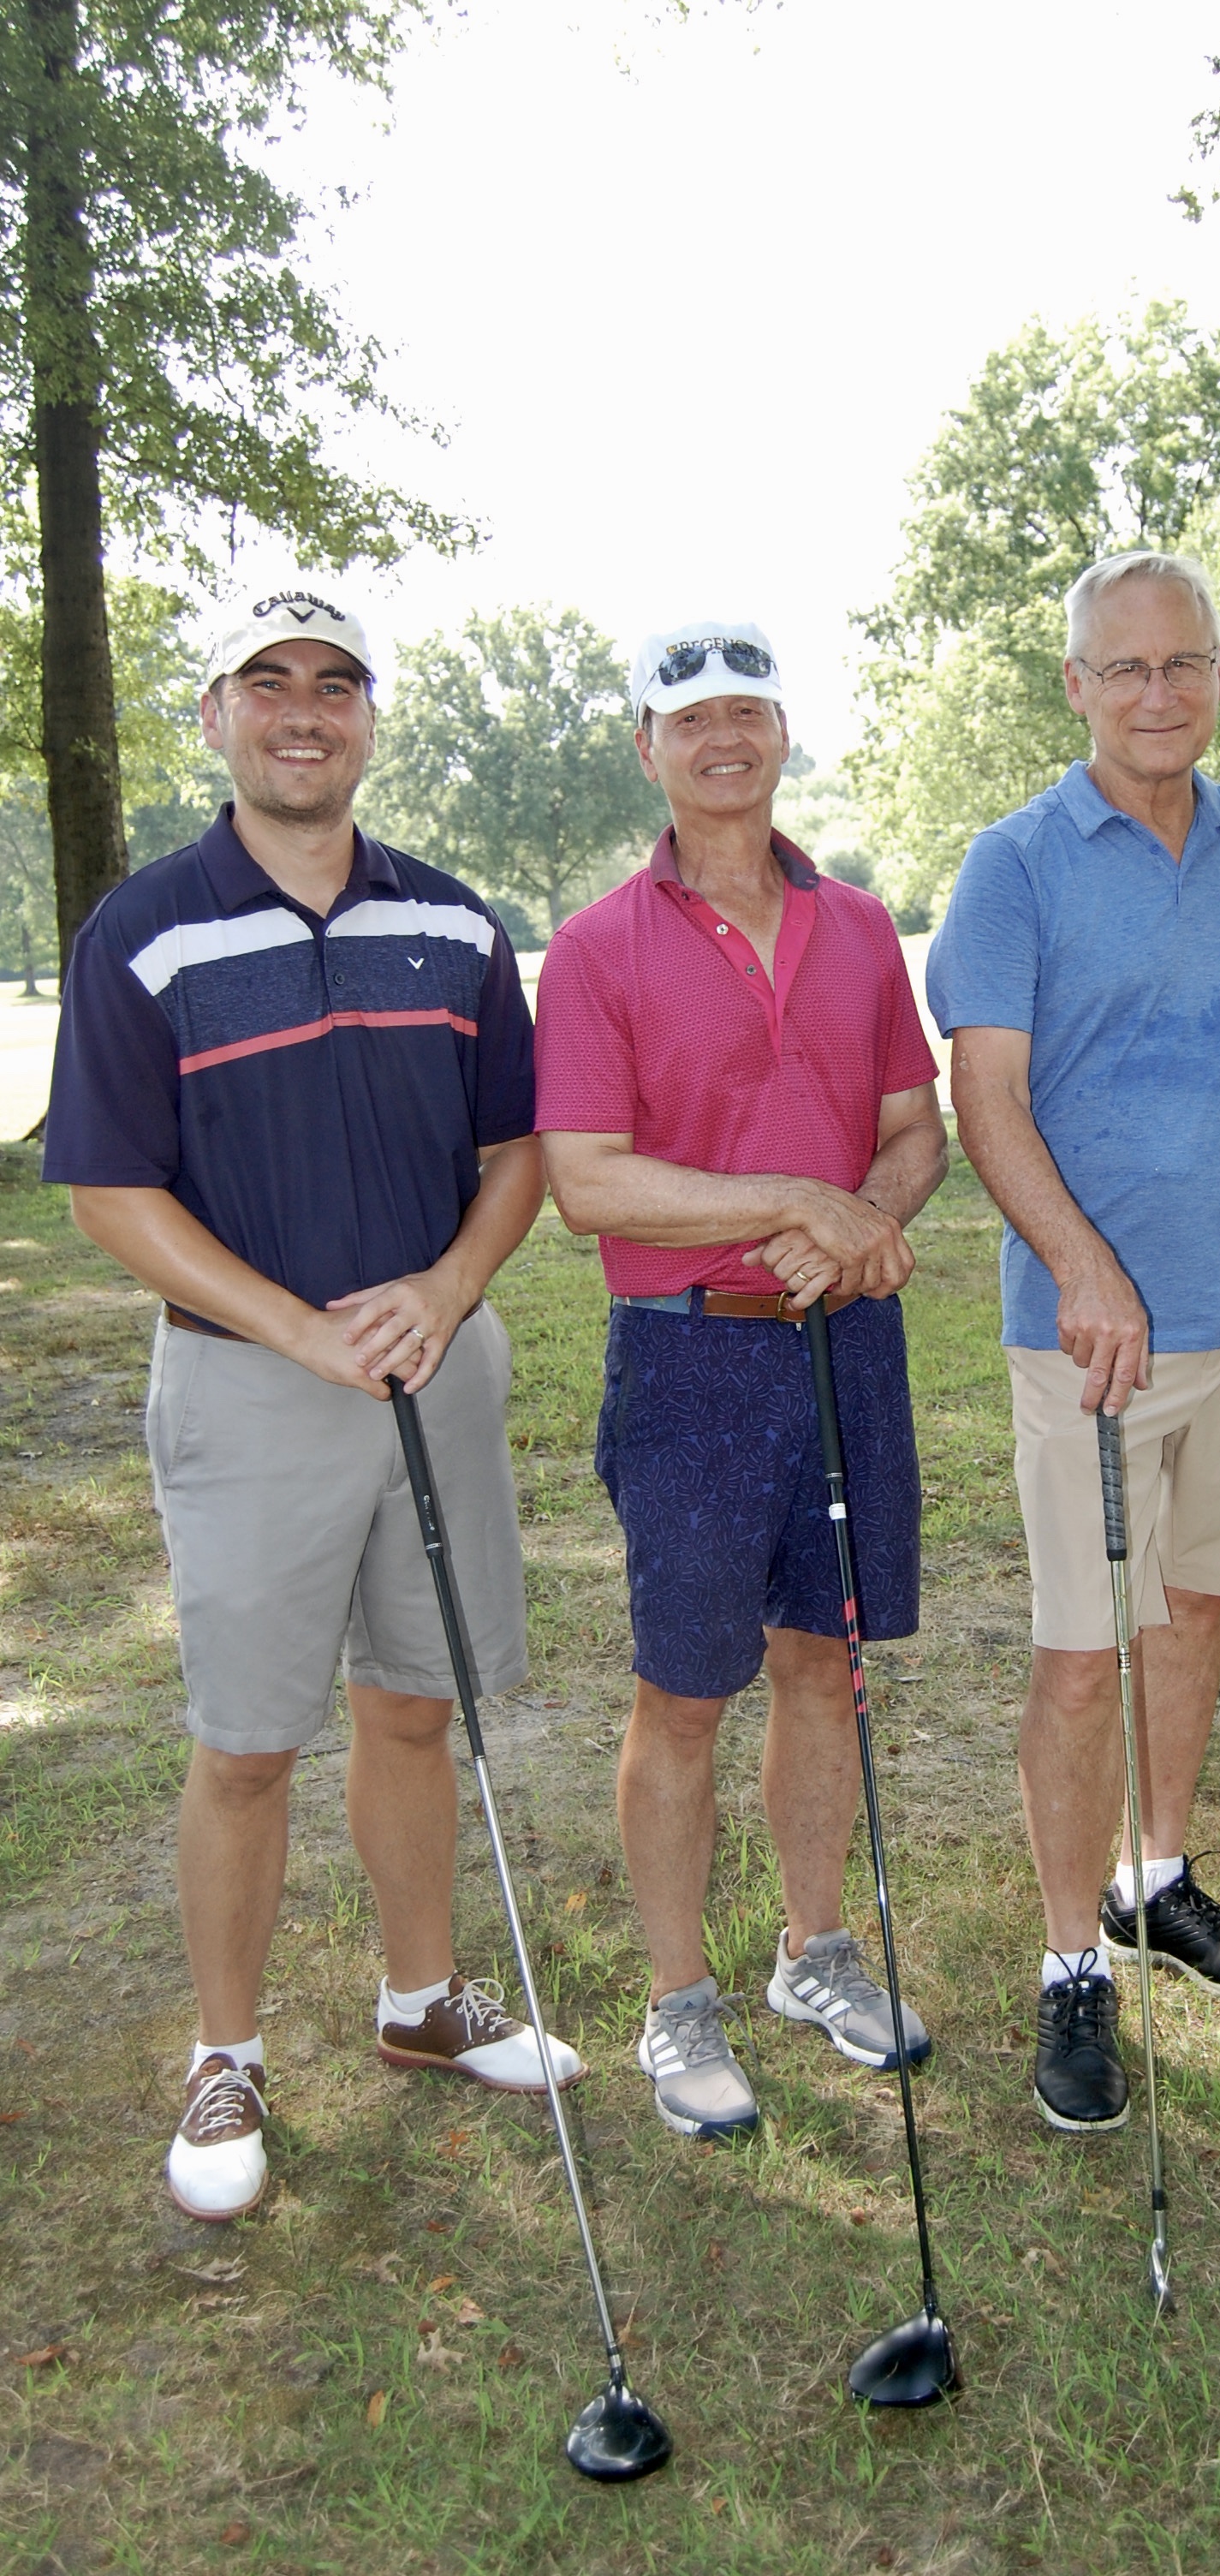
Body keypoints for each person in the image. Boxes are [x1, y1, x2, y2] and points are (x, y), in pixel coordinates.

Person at [43, 583, 580, 2224]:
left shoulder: (456, 925)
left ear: (367, 721)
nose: (302, 710)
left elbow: (518, 1149)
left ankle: (421, 2002)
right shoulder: (144, 930)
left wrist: (451, 1288)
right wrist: (297, 1328)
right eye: (266, 681)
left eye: (334, 683)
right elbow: (110, 1189)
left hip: (436, 1363)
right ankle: (227, 2055)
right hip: (251, 1383)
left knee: (415, 1706)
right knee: (248, 1742)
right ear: (216, 716)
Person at [533, 621, 948, 2142]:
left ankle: (813, 1955)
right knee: (685, 1690)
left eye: (748, 713)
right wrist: (797, 1201)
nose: (724, 739)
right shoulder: (596, 947)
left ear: (781, 734)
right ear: (648, 748)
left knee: (823, 1662)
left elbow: (914, 1131)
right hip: (689, 1354)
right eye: (690, 718)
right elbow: (586, 1182)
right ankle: (678, 1999)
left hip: (844, 1342)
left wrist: (864, 1222)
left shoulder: (858, 924)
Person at [926, 550, 1220, 2138]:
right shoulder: (1014, 863)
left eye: (1186, 664)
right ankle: (1070, 1959)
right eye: (1129, 668)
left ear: (1217, 676)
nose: (1161, 694)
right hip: (1086, 1340)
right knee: (1082, 1658)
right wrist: (1083, 1266)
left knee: (1195, 1610)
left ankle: (1156, 1882)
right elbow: (985, 1093)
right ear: (1078, 686)